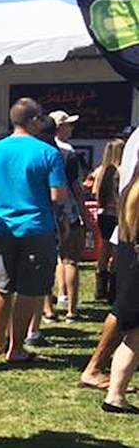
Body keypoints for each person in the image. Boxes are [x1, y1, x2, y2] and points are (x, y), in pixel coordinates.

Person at [0, 98, 67, 364]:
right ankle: (16, 347)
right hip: (37, 227)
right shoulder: (48, 152)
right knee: (29, 288)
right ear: (34, 120)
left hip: (3, 226)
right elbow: (58, 196)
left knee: (2, 285)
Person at [101, 159, 139, 413]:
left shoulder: (130, 191)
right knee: (135, 337)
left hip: (129, 265)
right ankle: (115, 395)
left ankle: (115, 395)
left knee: (134, 336)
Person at [48, 110, 87, 323]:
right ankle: (72, 309)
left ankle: (55, 303)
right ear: (59, 127)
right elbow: (76, 188)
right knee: (71, 259)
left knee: (56, 259)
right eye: (68, 125)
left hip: (48, 212)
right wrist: (85, 216)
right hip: (68, 211)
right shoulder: (67, 152)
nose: (71, 128)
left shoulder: (41, 149)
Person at [93, 138, 125, 303]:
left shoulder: (100, 171)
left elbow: (94, 192)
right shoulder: (122, 171)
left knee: (103, 251)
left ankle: (100, 288)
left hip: (103, 214)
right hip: (117, 215)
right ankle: (113, 290)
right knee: (116, 253)